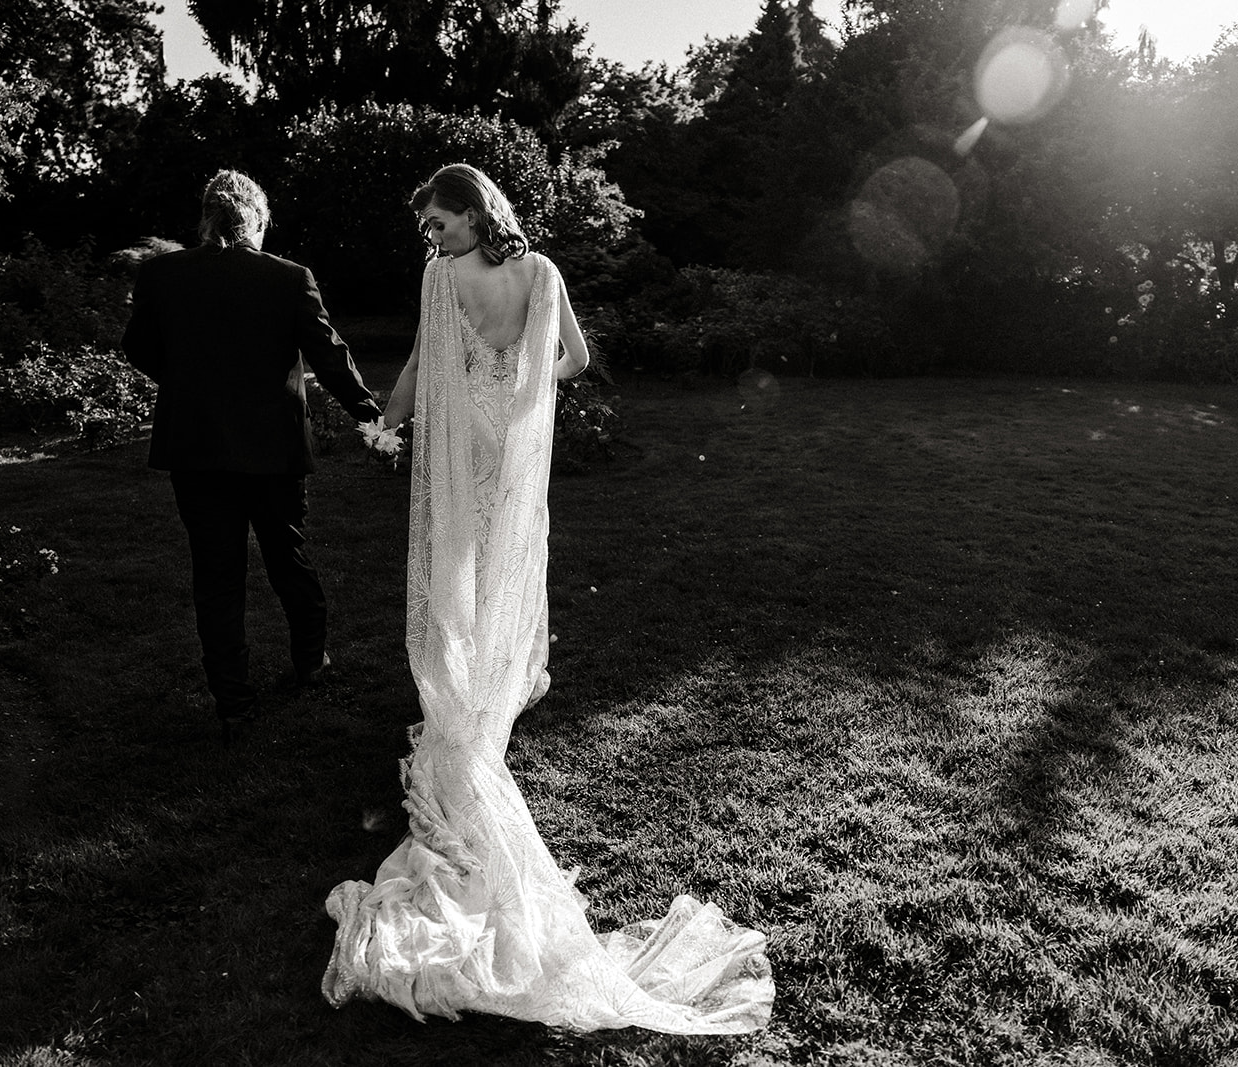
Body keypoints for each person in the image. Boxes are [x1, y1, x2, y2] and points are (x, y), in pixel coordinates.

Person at [319, 164, 774, 1032]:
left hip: (467, 453)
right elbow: (575, 359)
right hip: (505, 449)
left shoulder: (448, 279)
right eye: (430, 231)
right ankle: (473, 702)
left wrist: (397, 418)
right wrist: (517, 386)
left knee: (467, 573)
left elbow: (423, 358)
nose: (435, 240)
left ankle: (467, 713)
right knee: (482, 576)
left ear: (474, 211)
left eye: (442, 223)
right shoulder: (541, 273)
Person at [121, 170, 383, 738]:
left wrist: (185, 382)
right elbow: (329, 355)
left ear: (206, 216)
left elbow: (135, 347)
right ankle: (311, 661)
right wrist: (372, 416)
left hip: (195, 447)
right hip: (274, 448)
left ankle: (233, 701)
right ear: (258, 220)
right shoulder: (288, 278)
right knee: (288, 555)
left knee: (216, 574)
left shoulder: (162, 274)